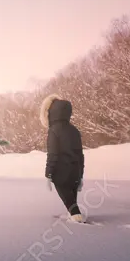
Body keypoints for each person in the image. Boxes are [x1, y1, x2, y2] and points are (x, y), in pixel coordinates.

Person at [40, 94, 86, 222]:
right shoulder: (74, 130)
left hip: (61, 173)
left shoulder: (54, 130)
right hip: (75, 171)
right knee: (72, 199)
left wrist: (48, 173)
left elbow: (53, 154)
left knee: (71, 204)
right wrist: (81, 175)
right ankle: (75, 216)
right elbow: (80, 154)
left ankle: (78, 220)